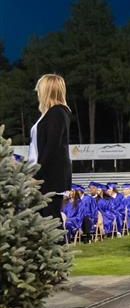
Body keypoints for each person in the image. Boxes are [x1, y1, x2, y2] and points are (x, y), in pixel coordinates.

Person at [28, 74, 72, 221]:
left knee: (50, 218)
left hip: (49, 177)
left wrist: (37, 174)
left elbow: (52, 147)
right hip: (44, 175)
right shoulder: (49, 113)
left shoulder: (57, 112)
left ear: (48, 91)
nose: (38, 93)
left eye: (40, 89)